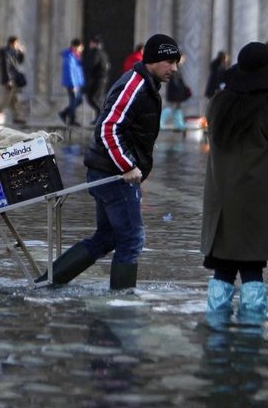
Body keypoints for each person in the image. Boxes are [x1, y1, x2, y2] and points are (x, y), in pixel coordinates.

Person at [38, 33, 181, 290]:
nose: (174, 69)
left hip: (107, 171)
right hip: (114, 174)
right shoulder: (136, 85)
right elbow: (108, 128)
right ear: (154, 60)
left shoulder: (145, 84)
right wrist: (128, 166)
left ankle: (45, 284)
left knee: (107, 238)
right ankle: (121, 301)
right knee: (132, 239)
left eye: (176, 63)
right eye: (170, 62)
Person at [203, 42, 268, 323]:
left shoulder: (217, 104)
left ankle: (216, 328)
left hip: (222, 201)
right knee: (253, 267)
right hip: (256, 201)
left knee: (223, 268)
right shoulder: (265, 108)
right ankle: (252, 331)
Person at [0, 36, 27, 125]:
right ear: (12, 43)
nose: (18, 45)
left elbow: (20, 61)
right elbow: (5, 66)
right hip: (9, 79)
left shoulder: (14, 52)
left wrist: (21, 53)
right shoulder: (5, 51)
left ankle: (17, 117)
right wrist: (9, 80)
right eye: (16, 43)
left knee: (14, 100)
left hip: (14, 78)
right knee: (6, 100)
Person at [58, 38, 85, 126]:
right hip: (72, 83)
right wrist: (74, 85)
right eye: (80, 46)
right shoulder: (70, 56)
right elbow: (70, 71)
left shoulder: (76, 55)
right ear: (75, 46)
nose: (82, 48)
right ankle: (71, 120)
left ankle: (65, 114)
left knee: (77, 100)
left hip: (76, 83)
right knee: (74, 100)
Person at [83, 35, 111, 117]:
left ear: (95, 43)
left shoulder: (96, 53)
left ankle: (101, 115)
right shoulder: (103, 53)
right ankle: (99, 116)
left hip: (97, 79)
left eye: (91, 43)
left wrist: (86, 69)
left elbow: (91, 65)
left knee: (93, 98)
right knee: (97, 98)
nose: (90, 45)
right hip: (102, 79)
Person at [161, 63, 192, 130]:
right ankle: (161, 121)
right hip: (175, 92)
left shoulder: (177, 67)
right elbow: (175, 82)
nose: (184, 60)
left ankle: (179, 123)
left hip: (176, 91)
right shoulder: (174, 68)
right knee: (172, 107)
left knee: (177, 107)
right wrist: (180, 91)